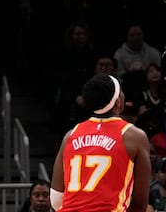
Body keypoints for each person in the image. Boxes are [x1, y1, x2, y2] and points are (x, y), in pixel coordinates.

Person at [50, 73, 151, 212]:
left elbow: (56, 200)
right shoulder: (134, 136)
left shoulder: (70, 135)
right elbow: (140, 204)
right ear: (118, 101)